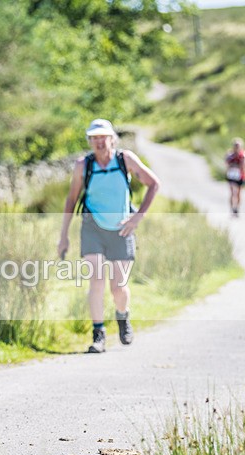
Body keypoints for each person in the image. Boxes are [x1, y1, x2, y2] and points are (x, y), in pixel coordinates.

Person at [57, 119, 160, 353]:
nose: (99, 142)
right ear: (90, 141)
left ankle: (122, 316)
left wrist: (137, 217)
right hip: (92, 226)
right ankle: (98, 335)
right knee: (96, 280)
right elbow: (71, 199)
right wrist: (63, 236)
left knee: (118, 286)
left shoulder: (125, 160)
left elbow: (154, 184)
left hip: (122, 229)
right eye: (94, 138)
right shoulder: (83, 165)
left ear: (112, 139)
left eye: (103, 137)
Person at [225, 137, 245, 216]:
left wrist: (235, 165)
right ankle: (232, 208)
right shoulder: (229, 154)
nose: (236, 147)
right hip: (232, 176)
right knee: (232, 192)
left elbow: (244, 165)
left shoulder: (244, 155)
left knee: (238, 193)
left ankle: (237, 208)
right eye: (235, 145)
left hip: (240, 176)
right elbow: (226, 164)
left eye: (238, 146)